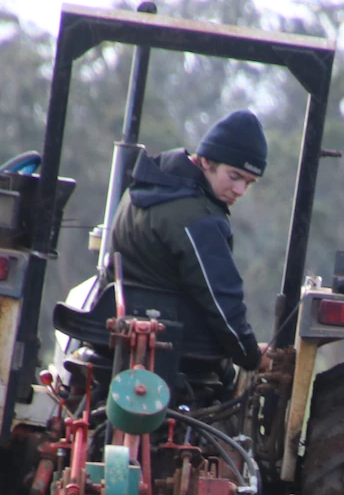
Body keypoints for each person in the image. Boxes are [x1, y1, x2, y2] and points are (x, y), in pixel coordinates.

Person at [110, 109, 269, 372]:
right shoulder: (198, 218)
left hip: (123, 330)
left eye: (249, 183)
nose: (240, 191)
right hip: (175, 345)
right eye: (235, 176)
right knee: (227, 374)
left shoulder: (146, 187)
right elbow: (221, 300)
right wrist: (250, 355)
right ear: (206, 161)